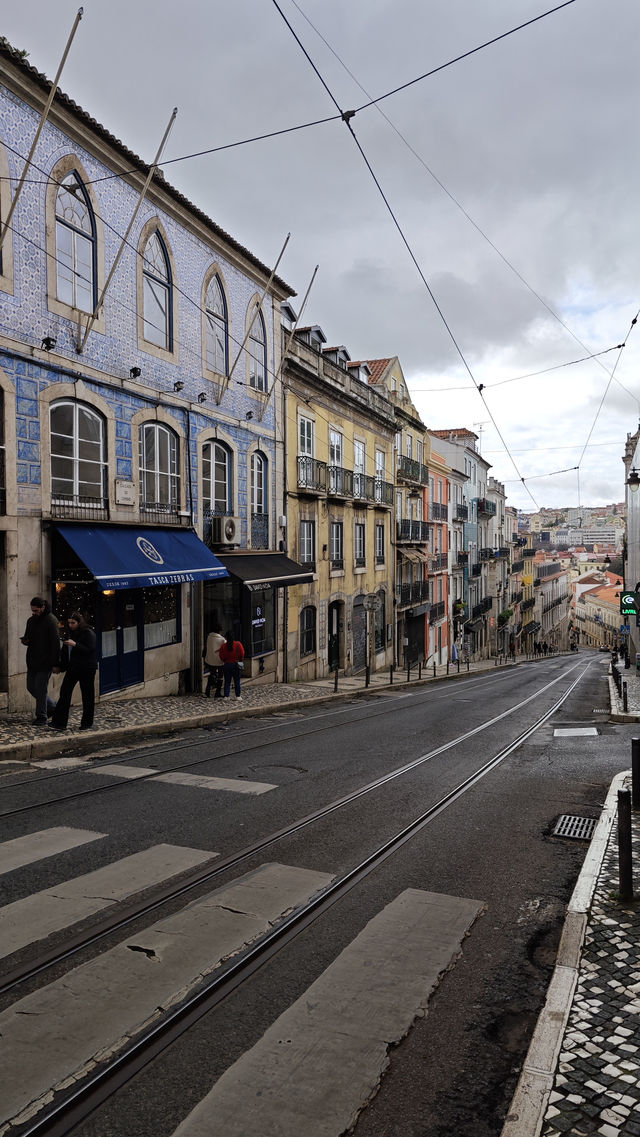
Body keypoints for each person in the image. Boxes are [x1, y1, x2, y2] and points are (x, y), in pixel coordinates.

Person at [49, 612, 97, 731]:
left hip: (87, 668)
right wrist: (60, 667)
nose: (70, 625)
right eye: (69, 622)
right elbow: (66, 654)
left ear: (79, 622)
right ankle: (59, 722)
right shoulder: (70, 633)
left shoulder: (88, 633)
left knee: (87, 695)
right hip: (73, 668)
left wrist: (75, 644)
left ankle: (87, 723)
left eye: (73, 623)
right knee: (65, 692)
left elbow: (89, 649)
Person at [21, 596, 60, 725]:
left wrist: (55, 663)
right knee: (31, 687)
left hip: (45, 661)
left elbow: (55, 644)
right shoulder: (31, 621)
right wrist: (25, 641)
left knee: (41, 688)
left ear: (43, 607)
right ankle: (53, 706)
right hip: (32, 660)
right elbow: (29, 638)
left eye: (36, 611)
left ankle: (41, 716)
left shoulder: (51, 621)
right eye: (33, 611)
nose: (34, 613)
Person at [219, 631, 245, 701]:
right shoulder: (238, 644)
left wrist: (225, 660)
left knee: (227, 681)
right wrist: (240, 660)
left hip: (227, 664)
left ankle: (226, 696)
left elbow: (221, 656)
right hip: (237, 663)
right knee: (237, 680)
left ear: (226, 637)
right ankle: (238, 696)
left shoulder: (223, 646)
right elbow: (242, 653)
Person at [203, 623, 225, 698]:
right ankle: (217, 692)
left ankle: (207, 691)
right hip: (219, 661)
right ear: (219, 631)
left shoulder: (209, 637)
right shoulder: (222, 640)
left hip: (210, 660)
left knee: (211, 675)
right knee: (220, 676)